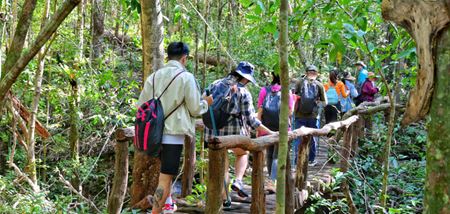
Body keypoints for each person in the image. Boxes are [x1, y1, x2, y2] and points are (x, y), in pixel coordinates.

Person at [137, 42, 213, 214]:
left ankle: (168, 205)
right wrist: (205, 104)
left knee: (165, 173)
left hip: (152, 135)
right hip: (172, 135)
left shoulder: (154, 76)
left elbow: (141, 106)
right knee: (165, 177)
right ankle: (156, 212)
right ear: (184, 58)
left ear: (168, 56)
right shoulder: (186, 77)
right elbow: (195, 109)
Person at [204, 61, 275, 206]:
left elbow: (202, 104)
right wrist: (271, 132)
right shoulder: (243, 92)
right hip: (234, 134)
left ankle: (225, 199)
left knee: (223, 163)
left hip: (213, 132)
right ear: (245, 78)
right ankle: (238, 180)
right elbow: (251, 121)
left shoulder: (214, 84)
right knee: (242, 154)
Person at [256, 72, 294, 192]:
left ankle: (271, 180)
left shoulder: (264, 90)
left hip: (266, 128)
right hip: (282, 128)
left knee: (269, 154)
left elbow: (260, 111)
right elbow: (290, 111)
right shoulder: (286, 91)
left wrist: (258, 128)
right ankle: (273, 182)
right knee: (277, 155)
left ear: (273, 77)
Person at [293, 65, 327, 167]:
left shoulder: (299, 82)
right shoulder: (319, 85)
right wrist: (317, 103)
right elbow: (325, 102)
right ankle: (311, 160)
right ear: (316, 74)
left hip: (299, 114)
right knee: (313, 137)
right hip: (313, 115)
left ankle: (297, 160)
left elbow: (294, 96)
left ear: (306, 73)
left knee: (298, 137)